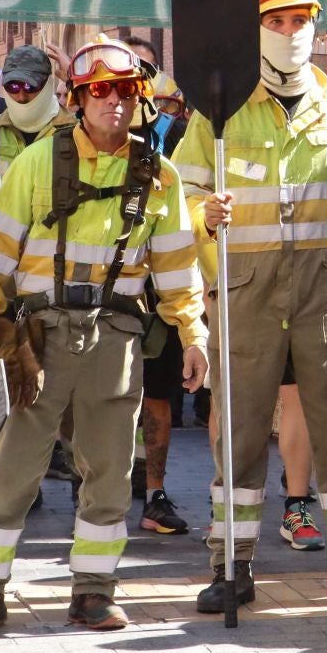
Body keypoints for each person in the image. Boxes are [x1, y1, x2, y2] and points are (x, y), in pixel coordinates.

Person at [0, 37, 208, 635]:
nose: (114, 102)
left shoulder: (159, 175)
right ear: (78, 99)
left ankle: (94, 591)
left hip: (115, 338)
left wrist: (193, 334)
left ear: (140, 100)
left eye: (126, 92)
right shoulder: (38, 162)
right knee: (13, 464)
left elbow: (177, 267)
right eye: (100, 91)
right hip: (35, 337)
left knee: (110, 469)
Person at [177, 0, 327, 613]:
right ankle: (232, 565)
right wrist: (202, 215)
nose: (289, 31)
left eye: (300, 19)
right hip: (244, 292)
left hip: (323, 290)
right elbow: (180, 197)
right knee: (240, 433)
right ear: (255, 29)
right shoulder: (219, 108)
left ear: (316, 24)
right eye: (276, 21)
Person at [127, 41, 192, 535]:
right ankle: (94, 487)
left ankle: (154, 493)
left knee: (158, 394)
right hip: (95, 297)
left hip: (158, 290)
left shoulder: (175, 146)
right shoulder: (74, 143)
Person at [0, 44, 73, 175]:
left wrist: (75, 81)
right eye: (13, 87)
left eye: (29, 86)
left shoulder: (74, 130)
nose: (21, 96)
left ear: (48, 84)